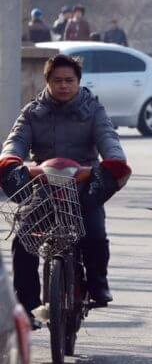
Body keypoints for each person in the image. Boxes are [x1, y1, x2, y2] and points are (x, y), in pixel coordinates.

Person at [0, 54, 131, 316]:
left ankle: (97, 285)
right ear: (47, 81)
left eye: (69, 80)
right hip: (45, 187)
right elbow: (15, 141)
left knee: (94, 235)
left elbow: (108, 138)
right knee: (24, 239)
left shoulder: (94, 110)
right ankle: (26, 304)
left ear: (78, 81)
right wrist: (11, 160)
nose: (63, 86)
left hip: (85, 186)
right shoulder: (32, 113)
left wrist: (114, 162)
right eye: (57, 80)